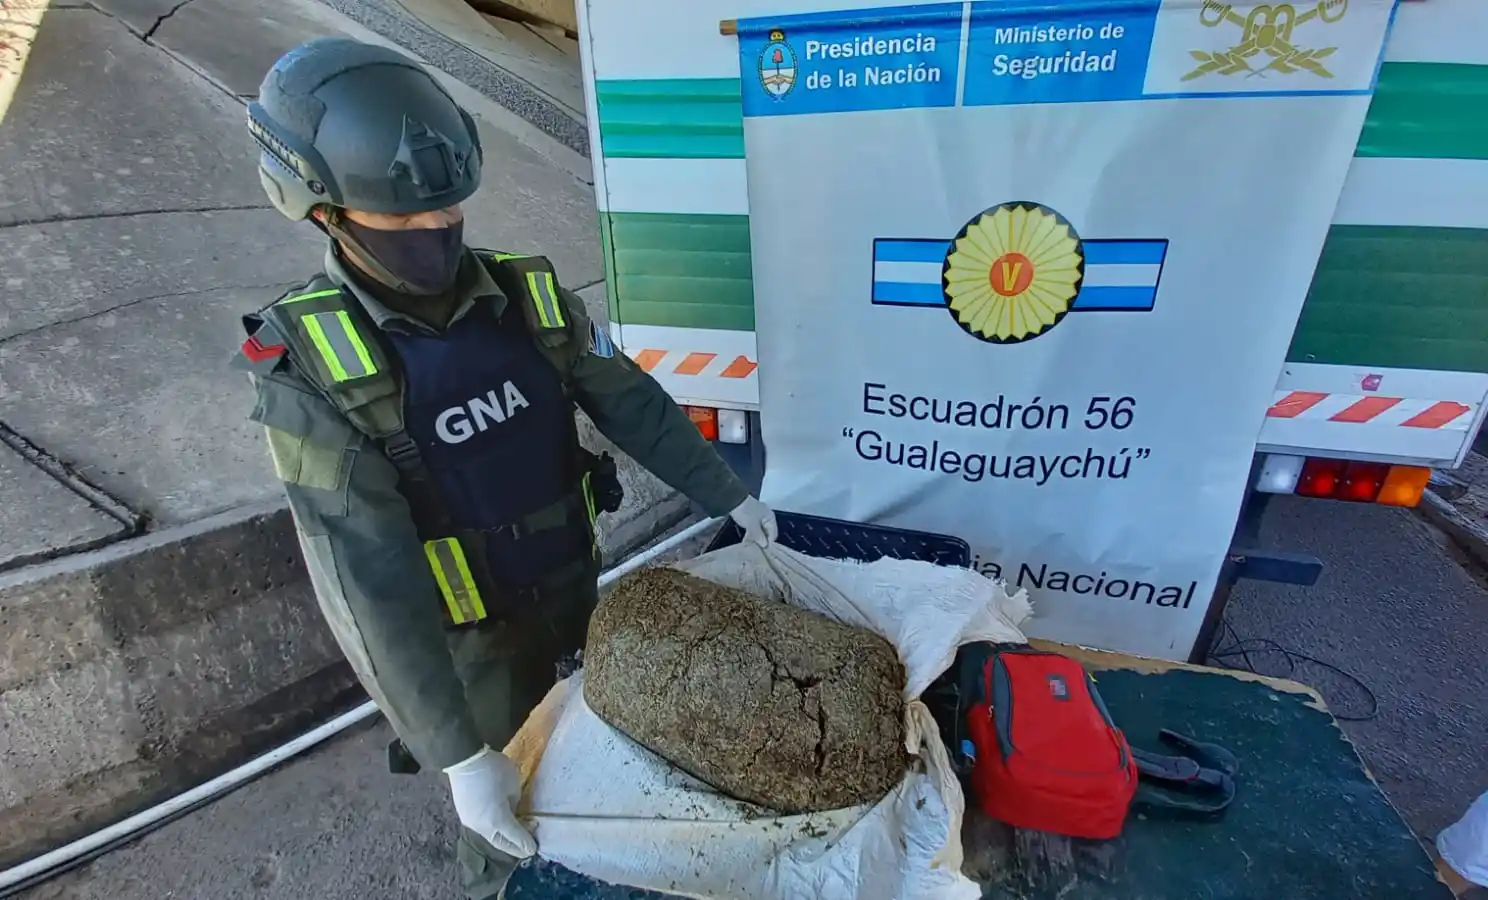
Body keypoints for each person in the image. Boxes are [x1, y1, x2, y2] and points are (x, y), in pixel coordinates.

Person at [234, 36, 778, 899]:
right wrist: (454, 754)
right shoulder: (313, 369)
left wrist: (733, 498)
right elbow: (366, 581)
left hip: (575, 590)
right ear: (322, 209)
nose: (434, 236)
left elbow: (627, 400)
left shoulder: (524, 296)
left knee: (604, 766)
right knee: (508, 823)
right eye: (402, 222)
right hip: (472, 650)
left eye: (447, 214)